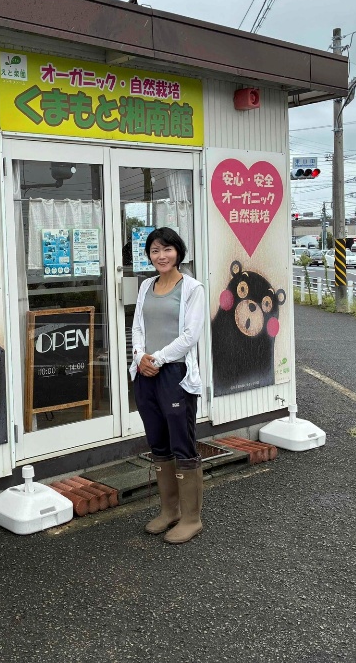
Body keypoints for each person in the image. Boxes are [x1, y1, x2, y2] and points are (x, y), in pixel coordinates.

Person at [129, 228, 205, 544]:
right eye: (155, 250)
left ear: (178, 252)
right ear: (149, 255)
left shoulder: (192, 287)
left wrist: (156, 359)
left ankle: (191, 518)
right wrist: (139, 357)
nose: (161, 256)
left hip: (176, 374)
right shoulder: (147, 285)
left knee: (182, 443)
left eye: (167, 249)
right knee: (158, 442)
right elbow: (137, 326)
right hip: (146, 374)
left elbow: (190, 336)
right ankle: (169, 511)